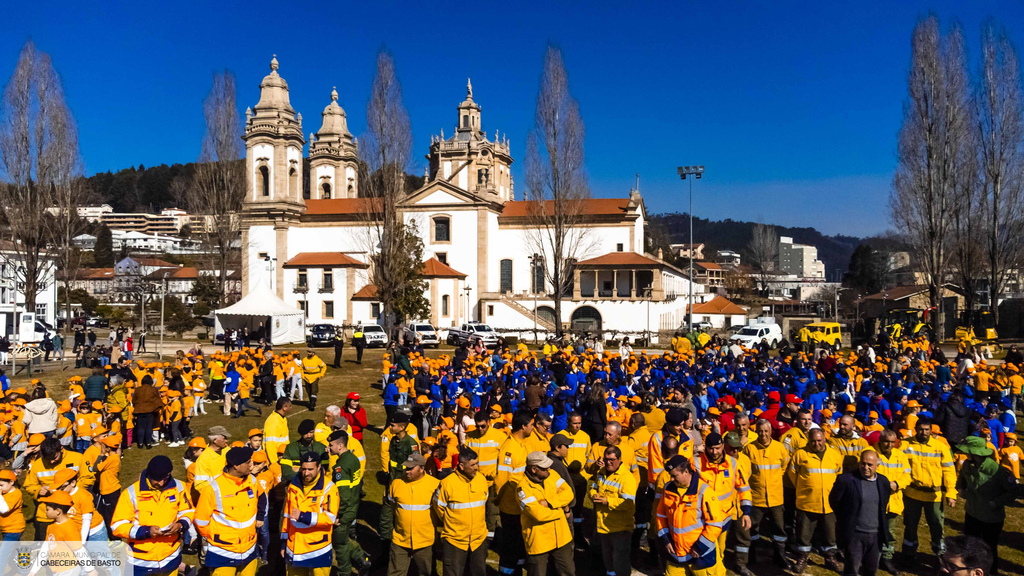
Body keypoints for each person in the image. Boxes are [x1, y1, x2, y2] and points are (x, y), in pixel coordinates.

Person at [111, 455, 194, 576]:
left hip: (171, 557)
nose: (160, 483)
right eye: (157, 479)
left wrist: (181, 524)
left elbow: (188, 511)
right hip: (141, 561)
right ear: (149, 474)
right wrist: (146, 531)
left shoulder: (180, 487)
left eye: (164, 478)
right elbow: (117, 526)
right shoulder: (130, 493)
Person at [195, 446, 263, 576]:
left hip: (249, 549)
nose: (251, 465)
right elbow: (201, 521)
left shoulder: (253, 481)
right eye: (248, 462)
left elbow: (261, 500)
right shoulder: (213, 488)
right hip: (223, 552)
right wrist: (217, 538)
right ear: (236, 466)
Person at [656, 455, 727, 576]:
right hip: (676, 554)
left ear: (686, 472)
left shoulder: (705, 491)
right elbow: (661, 516)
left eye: (675, 476)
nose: (672, 479)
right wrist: (666, 540)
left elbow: (715, 524)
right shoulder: (668, 489)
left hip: (701, 556)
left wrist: (699, 547)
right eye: (671, 476)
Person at [955, 436, 1017, 575]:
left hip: (991, 518)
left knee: (989, 549)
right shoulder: (967, 465)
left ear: (975, 453)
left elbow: (1013, 491)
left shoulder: (998, 471)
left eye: (967, 451)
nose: (965, 454)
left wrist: (996, 502)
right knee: (970, 546)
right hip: (972, 512)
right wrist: (961, 489)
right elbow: (961, 479)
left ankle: (990, 573)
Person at [902, 417, 957, 565]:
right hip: (911, 494)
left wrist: (951, 493)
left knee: (937, 526)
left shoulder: (941, 447)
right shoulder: (905, 445)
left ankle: (940, 556)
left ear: (931, 430)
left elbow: (949, 471)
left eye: (927, 429)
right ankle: (908, 553)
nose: (924, 432)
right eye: (921, 429)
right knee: (910, 526)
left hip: (934, 496)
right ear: (916, 429)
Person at [829, 450, 893, 576]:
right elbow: (834, 501)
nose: (866, 468)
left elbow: (882, 505)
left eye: (870, 465)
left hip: (875, 535)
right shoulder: (846, 480)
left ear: (877, 466)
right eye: (863, 464)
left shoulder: (883, 482)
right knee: (852, 570)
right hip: (855, 535)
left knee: (871, 570)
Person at [739, 418, 792, 570]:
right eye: (760, 431)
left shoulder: (780, 448)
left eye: (766, 431)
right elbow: (746, 472)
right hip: (757, 496)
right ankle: (751, 555)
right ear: (756, 432)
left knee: (778, 528)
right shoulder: (749, 448)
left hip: (776, 496)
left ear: (770, 432)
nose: (763, 434)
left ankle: (779, 555)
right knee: (753, 528)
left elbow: (784, 466)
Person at [788, 428, 843, 573]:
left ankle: (830, 558)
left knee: (830, 534)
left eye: (819, 440)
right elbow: (792, 474)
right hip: (807, 502)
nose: (816, 443)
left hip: (829, 504)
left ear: (825, 439)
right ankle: (802, 558)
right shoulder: (800, 454)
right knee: (803, 534)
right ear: (808, 440)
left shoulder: (835, 455)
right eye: (813, 441)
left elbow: (839, 475)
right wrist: (805, 488)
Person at [434, 447, 490, 576]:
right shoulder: (447, 484)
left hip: (478, 540)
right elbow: (439, 508)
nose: (476, 468)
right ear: (461, 466)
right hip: (455, 541)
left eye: (477, 464)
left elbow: (484, 502)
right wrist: (453, 524)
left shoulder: (481, 480)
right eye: (473, 465)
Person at [517, 452, 575, 576]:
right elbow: (538, 514)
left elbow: (569, 493)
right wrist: (560, 511)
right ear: (534, 469)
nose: (549, 468)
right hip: (539, 542)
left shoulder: (552, 474)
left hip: (561, 537)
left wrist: (549, 502)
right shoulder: (522, 489)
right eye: (544, 467)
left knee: (568, 572)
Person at [283, 452, 339, 576]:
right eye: (304, 469)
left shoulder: (329, 488)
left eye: (310, 469)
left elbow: (330, 518)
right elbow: (287, 514)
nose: (306, 473)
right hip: (295, 546)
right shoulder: (293, 485)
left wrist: (303, 516)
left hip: (318, 548)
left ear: (319, 467)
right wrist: (283, 541)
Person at [24, 438, 91, 538]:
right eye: (47, 459)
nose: (51, 462)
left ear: (61, 449)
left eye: (54, 457)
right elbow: (29, 485)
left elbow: (87, 477)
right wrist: (38, 491)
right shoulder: (37, 465)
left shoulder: (78, 458)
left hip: (73, 511)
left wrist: (72, 491)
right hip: (46, 514)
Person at [387, 453, 441, 576]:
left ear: (422, 469)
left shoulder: (435, 485)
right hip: (400, 540)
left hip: (425, 541)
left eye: (411, 468)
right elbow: (391, 505)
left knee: (426, 572)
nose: (407, 471)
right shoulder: (396, 483)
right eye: (406, 468)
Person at [495, 411, 535, 576]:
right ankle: (507, 571)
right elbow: (502, 480)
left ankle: (517, 568)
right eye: (531, 425)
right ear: (524, 426)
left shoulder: (522, 444)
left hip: (520, 505)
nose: (533, 427)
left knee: (519, 542)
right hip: (511, 506)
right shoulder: (509, 449)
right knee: (510, 543)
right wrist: (498, 500)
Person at [327, 430, 370, 576]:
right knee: (344, 538)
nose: (329, 448)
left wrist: (337, 515)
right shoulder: (353, 459)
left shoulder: (341, 466)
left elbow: (343, 495)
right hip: (353, 505)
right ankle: (362, 559)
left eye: (331, 445)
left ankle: (344, 572)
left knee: (339, 543)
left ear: (340, 446)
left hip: (345, 510)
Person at [589, 445, 636, 576]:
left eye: (612, 460)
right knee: (608, 561)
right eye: (606, 459)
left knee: (620, 562)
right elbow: (593, 487)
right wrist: (593, 495)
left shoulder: (626, 478)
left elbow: (629, 505)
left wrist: (607, 501)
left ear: (620, 459)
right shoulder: (601, 473)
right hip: (604, 526)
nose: (608, 462)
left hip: (620, 529)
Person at [464, 409, 506, 541]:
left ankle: (490, 538)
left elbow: (503, 459)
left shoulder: (500, 437)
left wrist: (497, 475)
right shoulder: (470, 437)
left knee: (491, 511)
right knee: (476, 510)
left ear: (489, 422)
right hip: (474, 482)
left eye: (483, 426)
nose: (480, 429)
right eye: (478, 426)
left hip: (492, 481)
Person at [876, 429, 911, 574]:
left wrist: (897, 483)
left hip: (894, 501)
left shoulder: (900, 455)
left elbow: (907, 475)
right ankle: (872, 557)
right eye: (886, 442)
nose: (889, 445)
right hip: (875, 500)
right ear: (880, 441)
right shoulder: (871, 452)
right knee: (871, 530)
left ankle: (887, 558)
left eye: (892, 442)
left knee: (890, 532)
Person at [280, 419, 328, 486]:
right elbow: (286, 473)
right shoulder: (290, 448)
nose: (309, 436)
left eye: (311, 432)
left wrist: (299, 470)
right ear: (301, 433)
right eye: (306, 433)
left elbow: (324, 471)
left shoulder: (321, 448)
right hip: (295, 486)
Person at [132, 375, 163, 449]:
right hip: (150, 410)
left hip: (139, 410)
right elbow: (157, 399)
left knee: (141, 427)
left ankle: (140, 443)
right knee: (149, 427)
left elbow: (134, 400)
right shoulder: (153, 389)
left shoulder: (138, 389)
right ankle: (148, 443)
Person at [264, 398, 292, 465]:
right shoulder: (274, 422)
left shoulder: (282, 418)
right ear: (284, 407)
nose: (291, 407)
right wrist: (275, 463)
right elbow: (270, 445)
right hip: (277, 461)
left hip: (283, 457)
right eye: (290, 406)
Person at [0, 469, 25, 540]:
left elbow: (4, 510)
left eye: (1, 485)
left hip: (14, 528)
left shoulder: (16, 494)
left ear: (11, 482)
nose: (0, 488)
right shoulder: (4, 493)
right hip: (6, 528)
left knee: (5, 551)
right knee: (14, 550)